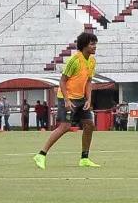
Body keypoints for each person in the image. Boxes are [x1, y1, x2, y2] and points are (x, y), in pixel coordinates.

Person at [37, 31, 100, 168]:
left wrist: (89, 99)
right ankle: (41, 154)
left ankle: (84, 158)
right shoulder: (74, 60)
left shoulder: (92, 61)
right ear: (84, 46)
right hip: (67, 97)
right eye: (92, 44)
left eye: (95, 44)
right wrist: (66, 100)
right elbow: (62, 81)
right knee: (65, 127)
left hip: (81, 98)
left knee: (89, 124)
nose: (95, 47)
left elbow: (89, 81)